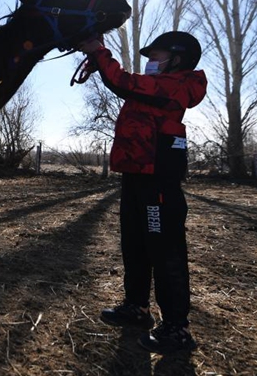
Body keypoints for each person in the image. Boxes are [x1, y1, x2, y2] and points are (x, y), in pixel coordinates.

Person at [76, 31, 207, 354]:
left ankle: (177, 328)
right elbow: (119, 83)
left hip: (158, 180)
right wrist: (96, 59)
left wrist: (99, 51)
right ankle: (137, 308)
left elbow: (123, 81)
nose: (150, 63)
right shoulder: (154, 88)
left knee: (165, 251)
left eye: (156, 56)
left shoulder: (176, 85)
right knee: (134, 244)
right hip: (136, 175)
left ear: (177, 59)